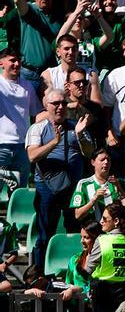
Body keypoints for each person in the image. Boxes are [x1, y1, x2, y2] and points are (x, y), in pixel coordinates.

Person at [27, 89, 93, 268]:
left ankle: (73, 270)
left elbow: (89, 153)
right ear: (45, 106)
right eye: (55, 103)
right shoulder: (38, 128)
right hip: (47, 188)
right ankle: (39, 274)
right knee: (45, 233)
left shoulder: (75, 126)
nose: (60, 107)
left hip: (73, 189)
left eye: (63, 103)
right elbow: (32, 156)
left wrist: (80, 134)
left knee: (74, 232)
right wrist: (54, 143)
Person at [0, 48, 41, 190]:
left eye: (19, 61)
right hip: (1, 145)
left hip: (22, 146)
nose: (17, 64)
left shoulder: (27, 85)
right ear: (1, 63)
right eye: (12, 60)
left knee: (20, 191)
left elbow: (37, 112)